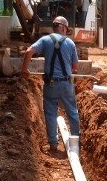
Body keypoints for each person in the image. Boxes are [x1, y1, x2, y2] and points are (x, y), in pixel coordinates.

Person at [22, 16, 80, 155]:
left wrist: (24, 69)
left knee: (50, 114)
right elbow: (75, 68)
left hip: (51, 85)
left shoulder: (45, 40)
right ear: (63, 28)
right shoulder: (70, 43)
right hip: (66, 84)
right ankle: (76, 142)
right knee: (72, 112)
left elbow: (29, 51)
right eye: (66, 29)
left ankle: (53, 145)